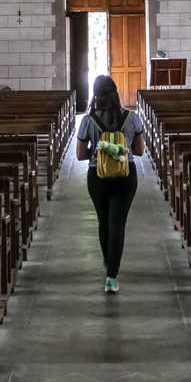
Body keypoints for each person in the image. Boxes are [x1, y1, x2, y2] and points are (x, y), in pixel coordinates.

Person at [76, 74, 145, 293]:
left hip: (97, 176)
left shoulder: (88, 120)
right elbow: (140, 151)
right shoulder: (132, 118)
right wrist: (121, 149)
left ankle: (109, 262)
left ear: (96, 95)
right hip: (126, 175)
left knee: (103, 221)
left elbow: (79, 155)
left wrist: (101, 150)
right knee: (118, 223)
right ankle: (112, 276)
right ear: (115, 93)